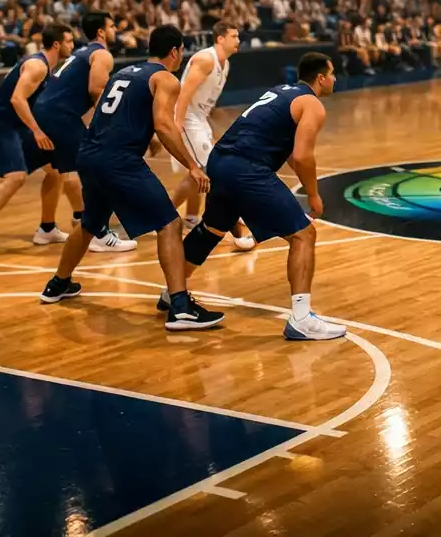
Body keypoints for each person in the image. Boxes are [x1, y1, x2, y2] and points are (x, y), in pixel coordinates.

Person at [40, 25, 224, 331]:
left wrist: (145, 138)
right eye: (181, 51)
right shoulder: (165, 78)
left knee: (89, 223)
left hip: (89, 154)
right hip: (119, 160)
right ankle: (180, 306)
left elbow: (112, 114)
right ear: (175, 51)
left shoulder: (124, 73)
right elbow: (164, 125)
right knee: (170, 224)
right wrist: (192, 165)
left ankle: (58, 283)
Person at [163, 52, 347, 340]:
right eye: (332, 74)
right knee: (304, 235)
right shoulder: (312, 104)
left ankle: (173, 293)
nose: (335, 79)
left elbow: (289, 153)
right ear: (321, 78)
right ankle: (302, 319)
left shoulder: (280, 92)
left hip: (220, 161)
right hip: (246, 168)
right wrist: (313, 195)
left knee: (212, 230)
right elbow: (303, 156)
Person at [27, 11, 136, 253]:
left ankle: (46, 228)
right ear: (101, 32)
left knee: (56, 172)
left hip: (46, 111)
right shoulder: (102, 54)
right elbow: (97, 89)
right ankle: (97, 232)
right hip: (59, 116)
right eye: (112, 26)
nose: (115, 30)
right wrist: (111, 123)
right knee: (95, 168)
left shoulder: (81, 53)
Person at [0, 22, 75, 255]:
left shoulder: (47, 67)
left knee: (56, 169)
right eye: (69, 41)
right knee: (16, 177)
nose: (73, 45)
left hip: (18, 126)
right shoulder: (37, 66)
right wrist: (37, 131)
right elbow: (17, 99)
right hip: (0, 124)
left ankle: (47, 228)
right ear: (57, 44)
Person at [169, 22, 254, 249]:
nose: (238, 40)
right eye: (234, 36)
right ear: (220, 38)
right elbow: (184, 92)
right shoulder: (206, 59)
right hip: (187, 118)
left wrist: (214, 127)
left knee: (198, 172)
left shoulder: (225, 65)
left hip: (199, 119)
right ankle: (164, 216)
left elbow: (207, 103)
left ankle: (189, 217)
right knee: (209, 171)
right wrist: (177, 123)